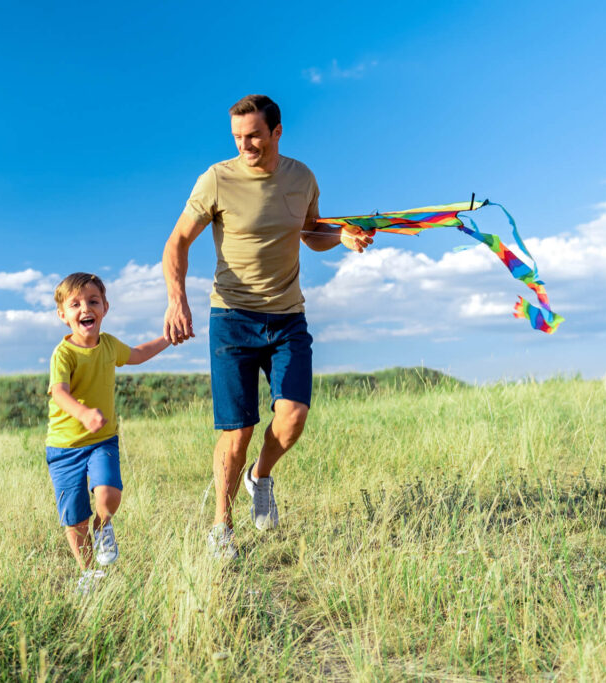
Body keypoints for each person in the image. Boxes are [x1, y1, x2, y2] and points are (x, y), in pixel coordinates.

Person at [162, 94, 373, 559]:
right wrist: (176, 299)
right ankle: (222, 525)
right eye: (238, 137)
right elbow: (177, 241)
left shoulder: (301, 178)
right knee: (236, 432)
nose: (245, 144)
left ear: (277, 132)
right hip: (232, 319)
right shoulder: (216, 179)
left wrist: (342, 235)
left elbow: (311, 232)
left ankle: (262, 474)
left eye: (254, 135)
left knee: (293, 417)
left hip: (287, 317)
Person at [46, 272, 169, 592]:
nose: (85, 308)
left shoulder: (110, 345)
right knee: (74, 518)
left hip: (102, 440)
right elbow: (58, 392)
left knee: (109, 494)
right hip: (64, 447)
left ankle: (103, 528)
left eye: (92, 301)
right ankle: (89, 573)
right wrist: (83, 413)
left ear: (105, 308)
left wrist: (168, 338)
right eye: (75, 304)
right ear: (63, 316)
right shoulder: (64, 354)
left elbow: (138, 355)